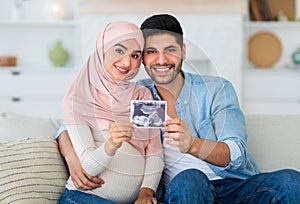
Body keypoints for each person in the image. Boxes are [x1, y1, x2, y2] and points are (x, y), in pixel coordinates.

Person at [57, 14, 300, 204]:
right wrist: (72, 158)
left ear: (183, 52)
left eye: (170, 50)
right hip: (184, 190)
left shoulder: (215, 89)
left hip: (235, 187)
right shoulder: (137, 94)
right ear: (142, 58)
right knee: (191, 180)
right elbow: (70, 122)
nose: (161, 60)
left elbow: (237, 154)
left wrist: (193, 145)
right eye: (151, 52)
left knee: (291, 181)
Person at [58, 21, 164, 204]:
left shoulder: (143, 94)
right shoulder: (79, 97)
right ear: (102, 49)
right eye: (119, 50)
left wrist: (146, 192)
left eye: (135, 55)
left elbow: (155, 152)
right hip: (85, 197)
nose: (126, 62)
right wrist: (112, 144)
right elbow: (87, 167)